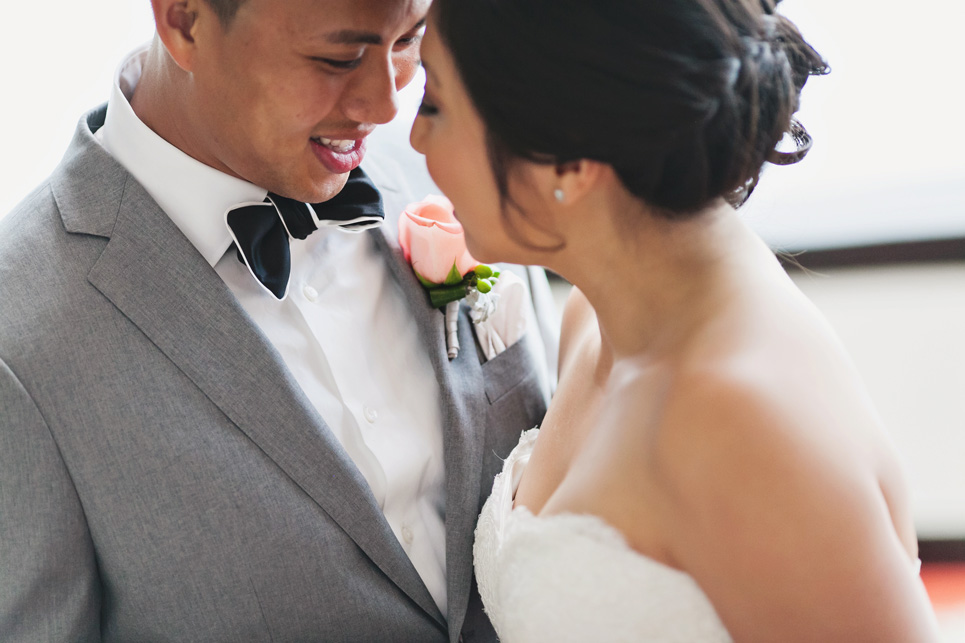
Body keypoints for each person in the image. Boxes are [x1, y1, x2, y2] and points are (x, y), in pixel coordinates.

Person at [0, 0, 558, 640]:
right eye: (338, 58)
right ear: (184, 19)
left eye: (409, 39)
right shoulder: (20, 346)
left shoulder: (461, 161)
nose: (385, 104)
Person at [410, 0, 942, 640]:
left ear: (567, 158)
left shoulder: (740, 418)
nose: (413, 138)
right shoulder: (596, 323)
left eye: (435, 103)